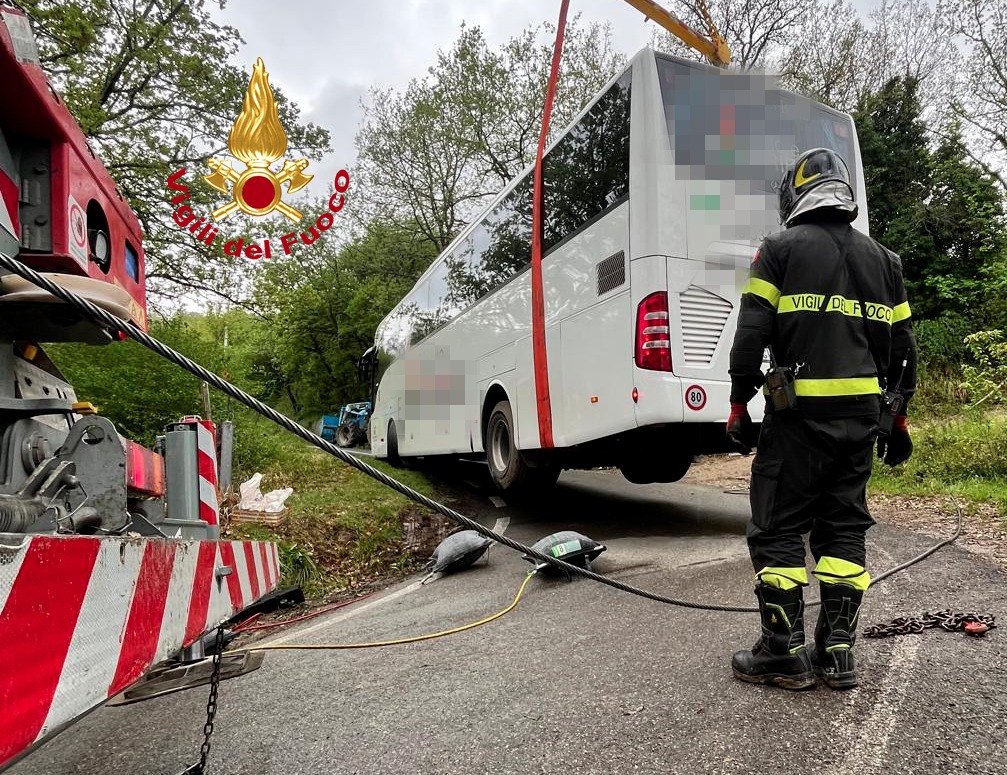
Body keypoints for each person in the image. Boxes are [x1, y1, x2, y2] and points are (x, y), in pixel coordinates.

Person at [725, 147, 917, 691]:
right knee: (843, 527)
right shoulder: (886, 260)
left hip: (799, 421)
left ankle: (780, 655)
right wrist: (896, 418)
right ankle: (837, 654)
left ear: (797, 194)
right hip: (861, 423)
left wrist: (740, 406)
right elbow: (904, 349)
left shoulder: (779, 250)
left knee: (778, 527)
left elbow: (751, 338)